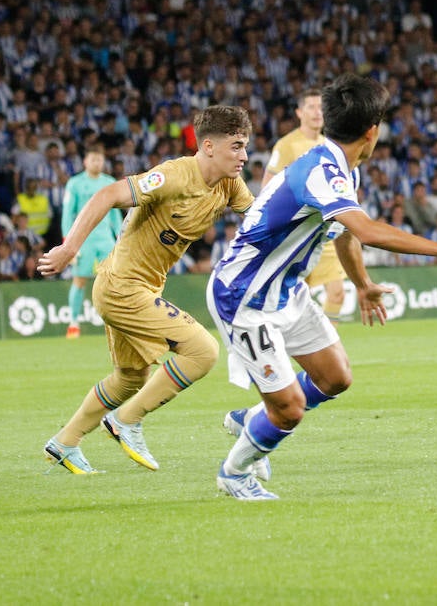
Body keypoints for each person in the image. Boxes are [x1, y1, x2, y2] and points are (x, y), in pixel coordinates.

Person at [210, 73, 437, 500]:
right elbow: (368, 230)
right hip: (244, 296)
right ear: (372, 132)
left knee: (335, 377)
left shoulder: (343, 171)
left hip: (285, 290)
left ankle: (251, 418)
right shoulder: (321, 172)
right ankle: (234, 472)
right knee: (290, 410)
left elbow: (344, 235)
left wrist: (362, 284)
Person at [38, 106, 256, 475]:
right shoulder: (174, 176)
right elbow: (107, 194)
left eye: (245, 146)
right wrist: (69, 248)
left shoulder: (229, 184)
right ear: (207, 146)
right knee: (203, 351)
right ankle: (126, 420)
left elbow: (260, 221)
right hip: (122, 287)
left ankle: (65, 442)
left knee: (130, 378)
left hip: (140, 287)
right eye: (236, 146)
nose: (244, 156)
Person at [263, 89, 350, 321]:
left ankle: (329, 342)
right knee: (293, 300)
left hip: (324, 231)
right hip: (296, 234)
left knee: (337, 293)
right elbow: (267, 187)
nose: (317, 112)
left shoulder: (330, 146)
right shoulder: (286, 145)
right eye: (311, 107)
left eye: (321, 107)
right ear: (299, 112)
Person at [59, 148, 122, 339]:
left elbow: (115, 215)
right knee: (79, 280)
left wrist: (121, 238)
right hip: (84, 239)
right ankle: (73, 323)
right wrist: (67, 242)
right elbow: (67, 214)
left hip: (105, 239)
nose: (97, 163)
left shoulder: (109, 182)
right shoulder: (75, 183)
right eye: (93, 159)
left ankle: (116, 323)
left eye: (100, 160)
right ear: (85, 161)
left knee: (114, 280)